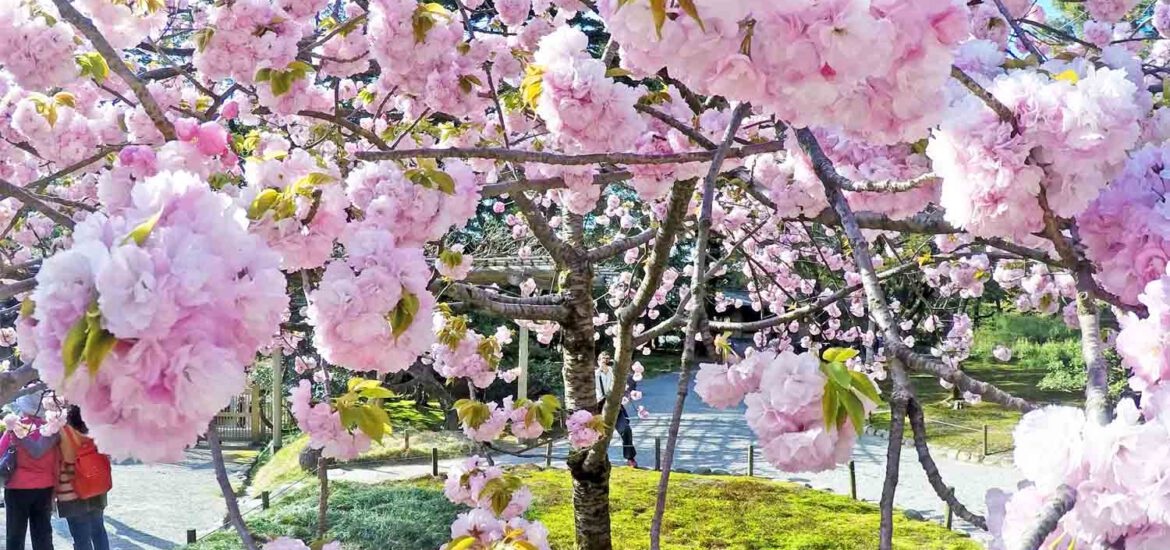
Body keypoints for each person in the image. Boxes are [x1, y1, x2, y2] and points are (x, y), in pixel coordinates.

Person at [1, 393, 60, 550]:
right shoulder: (51, 429)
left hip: (17, 488)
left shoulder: (13, 427)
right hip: (44, 487)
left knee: (15, 536)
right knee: (43, 535)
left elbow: (1, 452)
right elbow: (57, 460)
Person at [57, 406, 109, 550]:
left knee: (81, 538)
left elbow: (67, 458)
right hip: (96, 483)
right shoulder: (96, 426)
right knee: (98, 530)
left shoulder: (63, 430)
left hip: (72, 490)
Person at [595, 352, 638, 468]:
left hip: (615, 405)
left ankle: (630, 457)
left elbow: (627, 383)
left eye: (608, 360)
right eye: (603, 360)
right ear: (598, 361)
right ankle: (598, 458)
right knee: (598, 434)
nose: (605, 362)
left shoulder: (615, 374)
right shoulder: (594, 375)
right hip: (599, 407)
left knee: (626, 429)